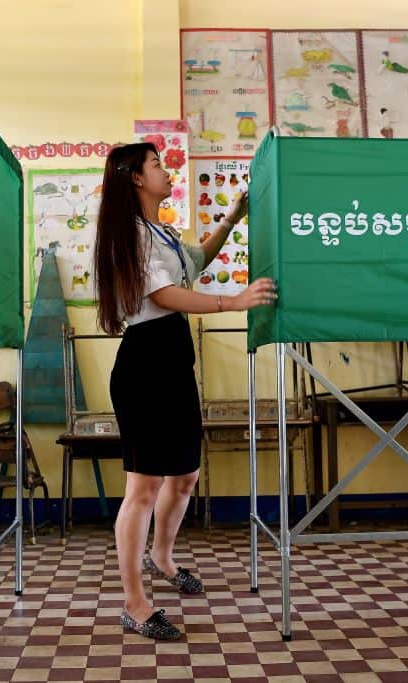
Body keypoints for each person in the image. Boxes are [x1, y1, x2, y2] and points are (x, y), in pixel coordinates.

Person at [92, 142, 276, 641]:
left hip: (173, 361)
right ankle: (134, 604)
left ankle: (162, 558)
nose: (165, 169)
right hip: (146, 363)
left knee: (186, 473)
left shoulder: (160, 231)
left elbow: (195, 260)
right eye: (156, 165)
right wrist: (233, 302)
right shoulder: (127, 235)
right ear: (134, 177)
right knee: (144, 487)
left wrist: (234, 216)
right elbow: (162, 295)